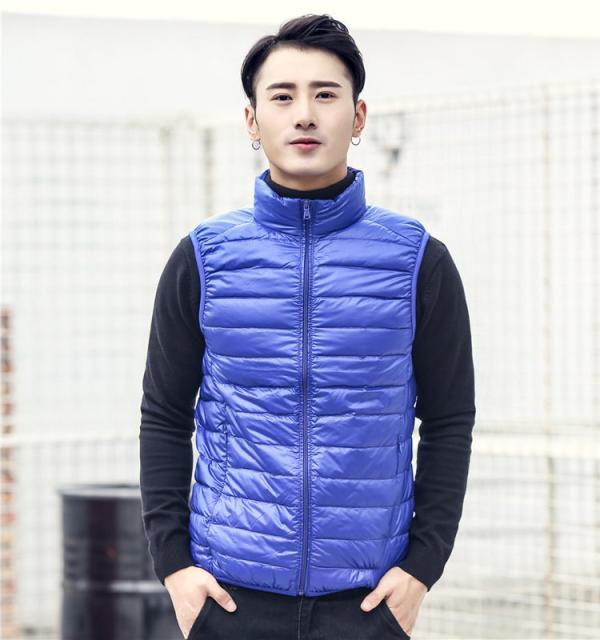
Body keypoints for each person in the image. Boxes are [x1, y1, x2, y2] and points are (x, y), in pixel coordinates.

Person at [139, 13, 476, 640]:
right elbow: (163, 415)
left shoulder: (418, 261)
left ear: (358, 116)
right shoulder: (204, 258)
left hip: (368, 603)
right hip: (228, 596)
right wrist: (175, 567)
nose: (304, 115)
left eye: (325, 94)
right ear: (251, 120)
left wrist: (422, 568)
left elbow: (450, 419)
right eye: (282, 96)